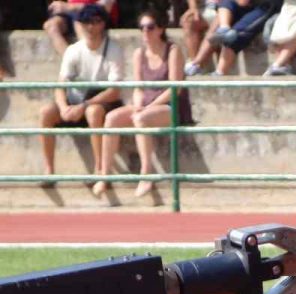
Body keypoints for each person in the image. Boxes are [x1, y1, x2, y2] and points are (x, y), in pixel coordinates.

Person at [92, 6, 193, 198]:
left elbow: (174, 88)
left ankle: (146, 173)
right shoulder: (139, 54)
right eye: (142, 28)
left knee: (141, 119)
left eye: (150, 27)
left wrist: (147, 108)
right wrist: (138, 104)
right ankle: (104, 174)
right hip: (146, 105)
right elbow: (138, 88)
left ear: (161, 28)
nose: (145, 31)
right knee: (112, 118)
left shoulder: (173, 51)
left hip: (169, 106)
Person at [38, 3, 124, 186]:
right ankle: (49, 171)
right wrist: (63, 107)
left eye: (96, 21)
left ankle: (100, 170)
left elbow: (115, 90)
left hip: (102, 103)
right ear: (80, 24)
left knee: (93, 112)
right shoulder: (73, 50)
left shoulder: (114, 49)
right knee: (46, 112)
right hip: (76, 100)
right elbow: (61, 85)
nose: (91, 26)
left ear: (103, 24)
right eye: (86, 22)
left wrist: (83, 106)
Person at [185, 0, 282, 76]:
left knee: (238, 32)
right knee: (224, 8)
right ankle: (224, 28)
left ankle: (219, 71)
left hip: (266, 5)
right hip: (247, 5)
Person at [44, 0, 120, 57]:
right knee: (51, 26)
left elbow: (103, 8)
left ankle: (86, 61)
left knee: (79, 21)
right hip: (71, 14)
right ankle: (71, 64)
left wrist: (71, 7)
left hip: (98, 16)